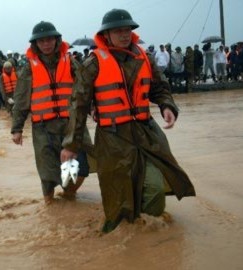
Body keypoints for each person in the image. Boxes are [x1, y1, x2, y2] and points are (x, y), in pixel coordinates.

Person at [60, 9, 196, 233]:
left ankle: (148, 230)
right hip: (112, 137)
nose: (124, 34)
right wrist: (71, 144)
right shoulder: (92, 63)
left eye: (127, 30)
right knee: (118, 196)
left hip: (146, 132)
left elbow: (160, 88)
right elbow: (78, 105)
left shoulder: (145, 57)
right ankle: (126, 237)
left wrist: (167, 106)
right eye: (118, 31)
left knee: (153, 186)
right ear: (106, 35)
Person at [11, 21, 91, 204]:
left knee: (78, 168)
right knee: (47, 174)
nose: (46, 44)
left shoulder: (70, 62)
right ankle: (49, 206)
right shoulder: (29, 68)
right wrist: (17, 128)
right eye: (42, 41)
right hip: (43, 128)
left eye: (49, 40)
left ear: (56, 40)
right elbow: (21, 100)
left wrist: (94, 110)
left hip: (70, 125)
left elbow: (85, 90)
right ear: (36, 44)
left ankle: (69, 195)